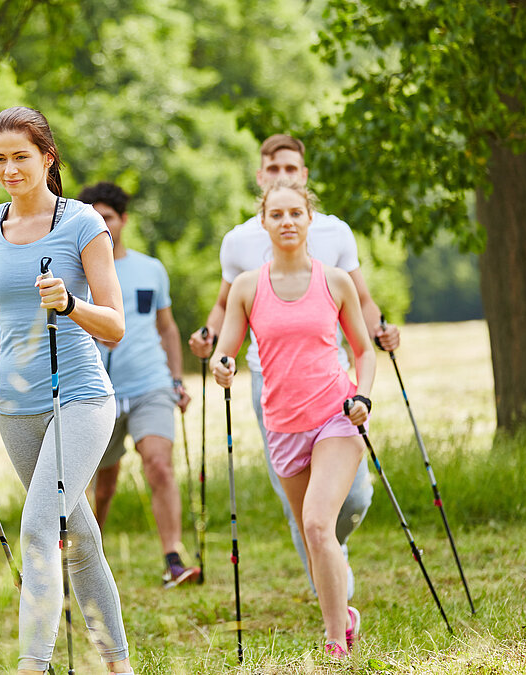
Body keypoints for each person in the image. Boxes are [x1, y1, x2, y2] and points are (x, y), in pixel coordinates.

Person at [0, 106, 133, 675]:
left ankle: (32, 665)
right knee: (82, 539)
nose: (9, 169)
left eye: (21, 157)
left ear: (48, 158)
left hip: (81, 398)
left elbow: (116, 325)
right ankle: (119, 666)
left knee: (40, 528)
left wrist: (69, 305)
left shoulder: (82, 224)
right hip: (18, 408)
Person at [189, 134, 399, 601]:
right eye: (273, 169)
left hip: (330, 380)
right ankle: (332, 600)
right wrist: (212, 345)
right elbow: (226, 306)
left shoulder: (336, 233)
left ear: (303, 176)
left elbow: (360, 300)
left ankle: (329, 553)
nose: (282, 176)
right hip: (271, 381)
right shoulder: (239, 241)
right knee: (301, 508)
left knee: (354, 500)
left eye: (291, 169)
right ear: (261, 177)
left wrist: (382, 329)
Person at [211, 176, 375, 658]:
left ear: (310, 220)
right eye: (276, 214)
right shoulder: (246, 287)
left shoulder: (335, 281)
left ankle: (333, 640)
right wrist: (223, 367)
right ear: (263, 222)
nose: (286, 221)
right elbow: (228, 351)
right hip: (282, 424)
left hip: (336, 416)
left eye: (295, 213)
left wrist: (363, 395)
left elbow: (363, 351)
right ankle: (344, 614)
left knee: (319, 524)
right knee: (310, 529)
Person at [77, 181, 199, 589]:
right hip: (99, 390)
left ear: (123, 220)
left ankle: (173, 559)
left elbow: (167, 327)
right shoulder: (78, 270)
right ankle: (88, 558)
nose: (104, 226)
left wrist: (176, 378)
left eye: (109, 217)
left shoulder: (151, 269)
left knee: (159, 465)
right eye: (96, 219)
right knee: (103, 484)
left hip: (151, 384)